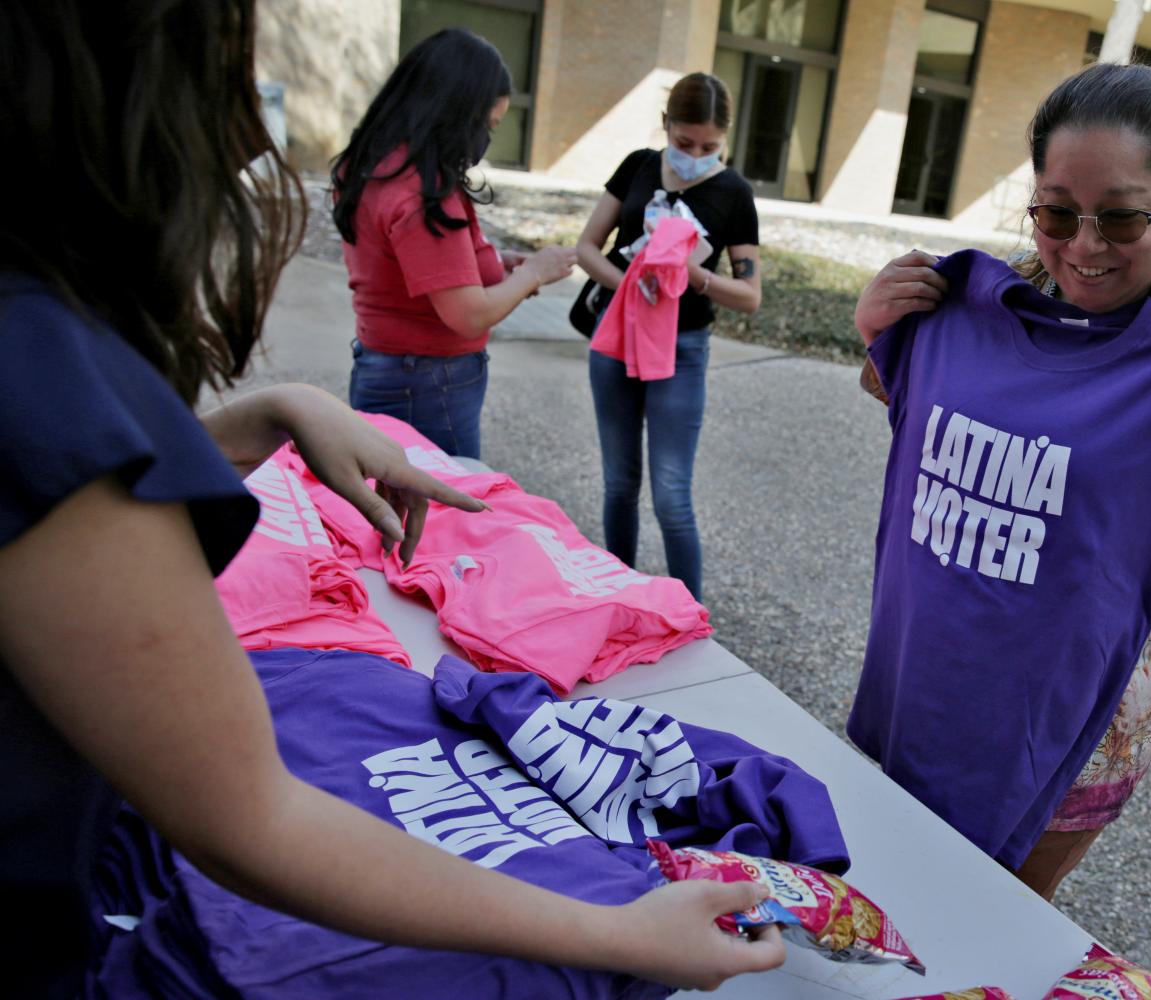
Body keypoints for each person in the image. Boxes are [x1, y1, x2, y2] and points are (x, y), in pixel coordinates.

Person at [0, 4, 781, 996]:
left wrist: (270, 412)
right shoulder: (41, 379)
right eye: (224, 73)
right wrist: (620, 930)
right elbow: (258, 821)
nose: (246, 130)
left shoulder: (32, 356)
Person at [847, 63, 1151, 901]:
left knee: (994, 921)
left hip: (1080, 725)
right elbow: (923, 412)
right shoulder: (989, 303)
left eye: (1119, 217)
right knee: (878, 885)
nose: (1083, 246)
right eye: (1055, 212)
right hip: (931, 679)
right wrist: (877, 332)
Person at [332, 28, 577, 459]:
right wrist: (537, 273)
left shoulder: (373, 166)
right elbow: (469, 315)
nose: (484, 140)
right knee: (441, 512)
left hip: (389, 366)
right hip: (429, 381)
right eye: (487, 125)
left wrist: (493, 261)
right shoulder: (421, 193)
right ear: (453, 112)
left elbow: (410, 261)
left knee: (389, 507)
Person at [576, 72, 761, 600]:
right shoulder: (637, 166)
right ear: (666, 126)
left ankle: (689, 616)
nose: (695, 155)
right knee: (618, 483)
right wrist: (632, 283)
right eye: (683, 143)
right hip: (617, 338)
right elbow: (587, 248)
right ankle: (619, 595)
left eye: (710, 147)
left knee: (672, 494)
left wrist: (691, 276)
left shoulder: (733, 192)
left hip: (682, 347)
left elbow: (750, 294)